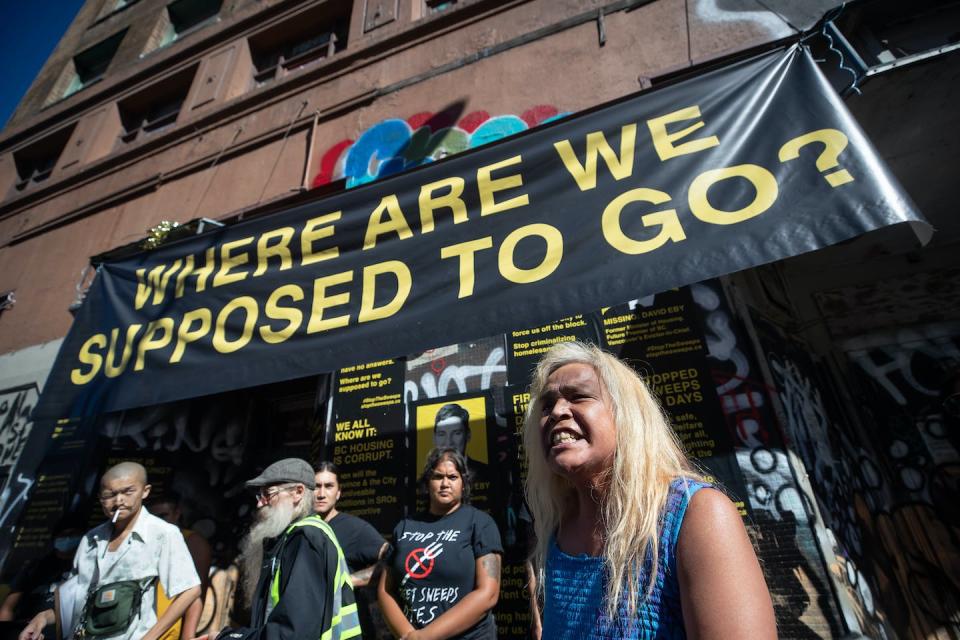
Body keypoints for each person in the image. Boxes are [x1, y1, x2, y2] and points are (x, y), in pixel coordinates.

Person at [522, 341, 776, 638]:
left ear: (626, 415)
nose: (556, 412)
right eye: (547, 404)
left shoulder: (696, 515)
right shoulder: (554, 529)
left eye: (578, 396)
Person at [18, 461, 201, 640]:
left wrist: (150, 636)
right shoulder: (91, 540)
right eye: (109, 495)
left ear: (145, 491)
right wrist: (42, 618)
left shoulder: (162, 534)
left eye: (128, 491)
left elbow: (190, 590)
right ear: (100, 498)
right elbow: (74, 602)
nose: (119, 501)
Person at [206, 458, 360, 640]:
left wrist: (228, 637)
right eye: (259, 495)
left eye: (268, 494)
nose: (260, 503)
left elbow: (292, 633)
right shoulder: (293, 537)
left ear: (298, 493)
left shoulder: (306, 538)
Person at [378, 448, 502, 640]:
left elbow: (488, 593)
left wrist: (424, 637)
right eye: (437, 477)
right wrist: (408, 634)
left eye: (452, 477)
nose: (445, 483)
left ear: (463, 484)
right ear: (428, 483)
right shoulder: (404, 527)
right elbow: (386, 589)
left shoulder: (480, 523)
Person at [314, 462, 388, 638]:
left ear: (339, 493)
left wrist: (348, 581)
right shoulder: (300, 528)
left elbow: (392, 559)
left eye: (329, 486)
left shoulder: (355, 529)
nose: (321, 494)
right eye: (316, 486)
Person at [0, 520, 82, 635]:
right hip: (26, 632)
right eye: (64, 535)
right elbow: (7, 608)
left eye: (73, 535)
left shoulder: (84, 566)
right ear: (55, 538)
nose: (68, 539)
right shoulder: (36, 568)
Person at [150, 492, 213, 640]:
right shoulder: (144, 540)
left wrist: (187, 636)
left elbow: (196, 592)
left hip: (168, 633)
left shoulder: (191, 541)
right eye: (153, 517)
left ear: (176, 513)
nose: (158, 522)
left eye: (163, 515)